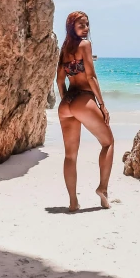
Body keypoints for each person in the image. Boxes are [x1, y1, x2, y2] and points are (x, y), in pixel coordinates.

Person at [56, 11, 114, 212]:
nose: (86, 29)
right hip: (83, 99)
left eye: (87, 25)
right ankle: (103, 189)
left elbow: (59, 80)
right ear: (72, 26)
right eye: (82, 25)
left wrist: (65, 100)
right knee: (108, 143)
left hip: (66, 105)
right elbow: (91, 77)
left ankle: (73, 202)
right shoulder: (85, 45)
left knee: (70, 156)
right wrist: (102, 104)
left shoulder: (64, 49)